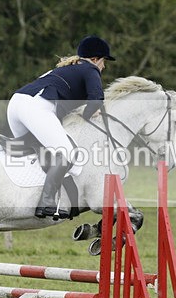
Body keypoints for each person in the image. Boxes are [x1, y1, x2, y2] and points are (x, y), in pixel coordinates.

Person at [7, 35, 115, 218]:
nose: (103, 67)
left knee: (43, 153)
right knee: (66, 152)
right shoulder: (90, 69)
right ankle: (46, 202)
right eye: (104, 61)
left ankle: (32, 196)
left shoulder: (67, 69)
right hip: (36, 108)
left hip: (15, 105)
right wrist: (88, 114)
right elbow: (96, 100)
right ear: (95, 59)